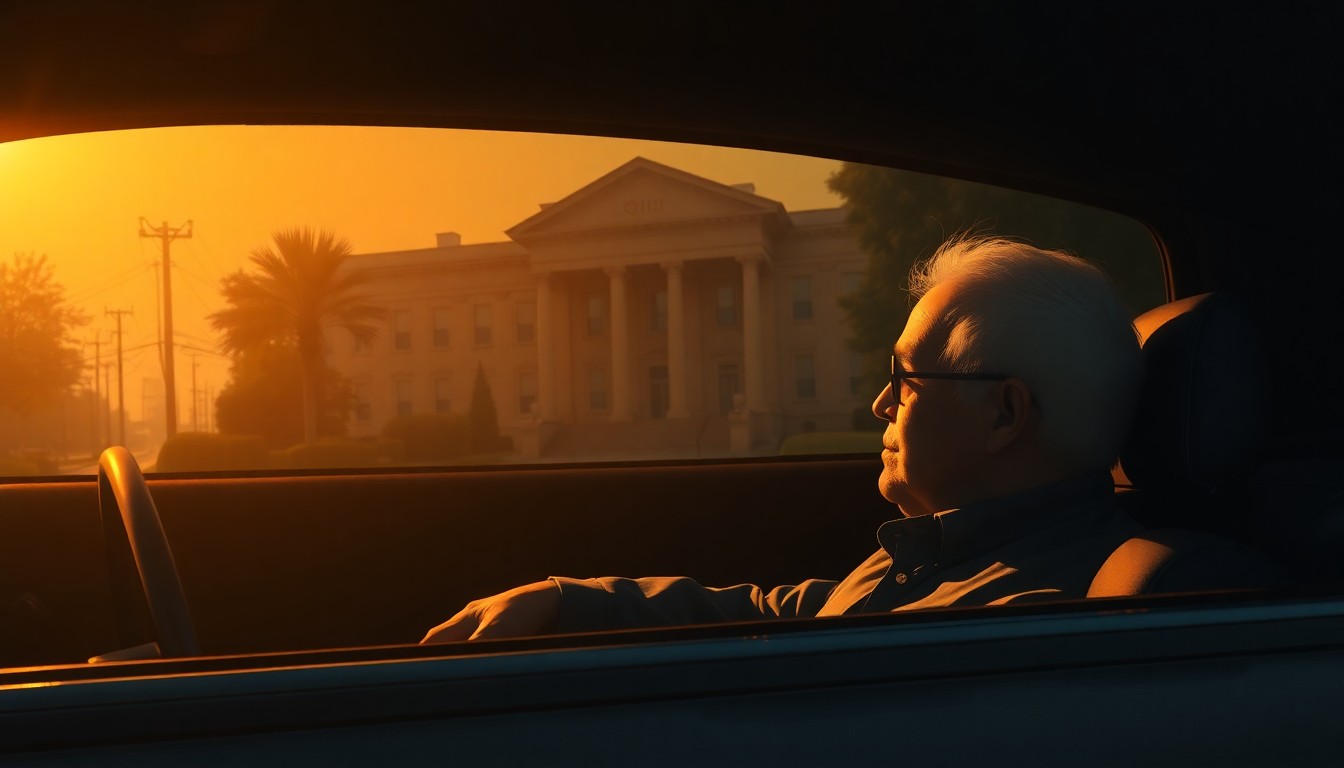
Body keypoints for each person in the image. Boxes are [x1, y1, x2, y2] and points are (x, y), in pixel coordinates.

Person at [422, 234, 1146, 644]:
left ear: (1003, 416)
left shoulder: (1018, 628)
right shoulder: (945, 556)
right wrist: (568, 600)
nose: (878, 401)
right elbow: (780, 612)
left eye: (905, 377)